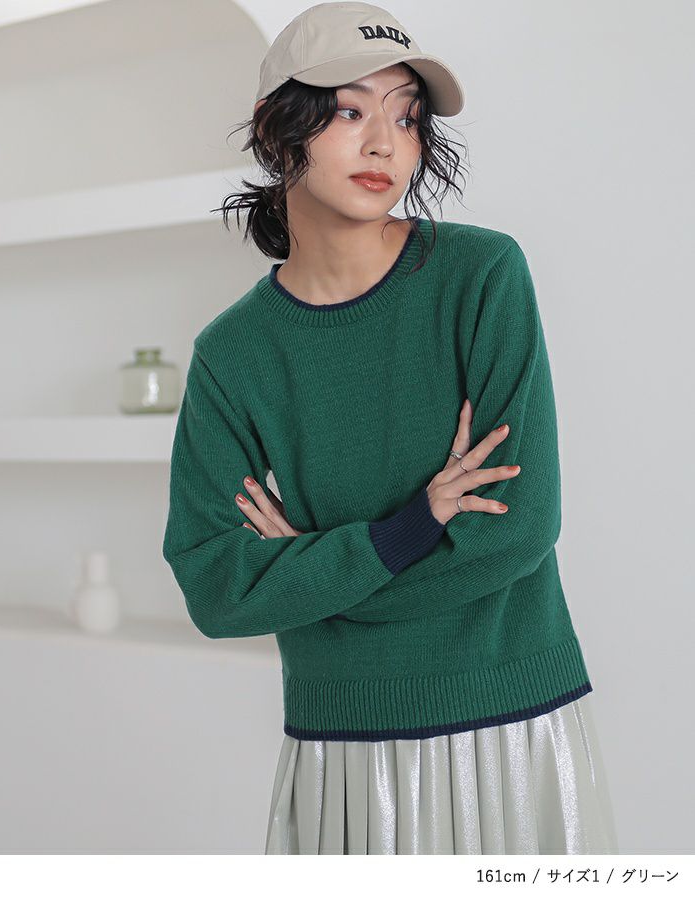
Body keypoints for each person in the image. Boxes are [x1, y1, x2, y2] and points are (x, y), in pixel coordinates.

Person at [162, 1, 618, 854]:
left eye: (406, 118)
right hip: (342, 748)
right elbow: (217, 588)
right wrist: (408, 529)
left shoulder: (482, 277)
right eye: (349, 111)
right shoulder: (234, 355)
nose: (385, 145)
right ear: (275, 129)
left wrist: (315, 578)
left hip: (515, 721)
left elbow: (519, 529)